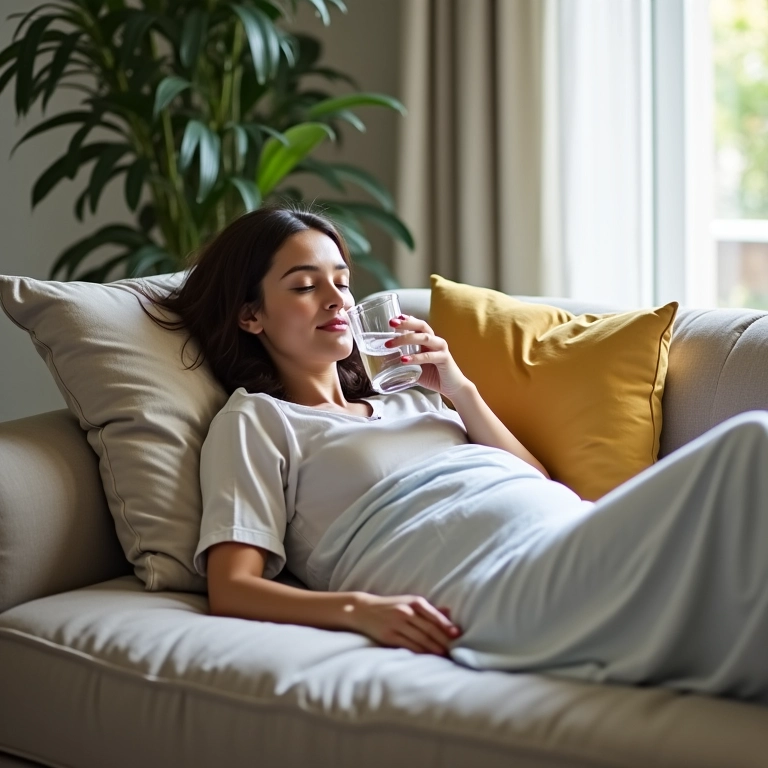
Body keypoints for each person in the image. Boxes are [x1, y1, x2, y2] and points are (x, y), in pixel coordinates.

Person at [140, 203, 768, 706]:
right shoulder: (257, 419)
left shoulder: (413, 398)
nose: (336, 300)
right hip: (495, 587)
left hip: (573, 535)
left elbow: (537, 480)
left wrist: (460, 390)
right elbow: (233, 587)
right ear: (252, 316)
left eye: (342, 282)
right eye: (305, 287)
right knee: (751, 445)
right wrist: (361, 612)